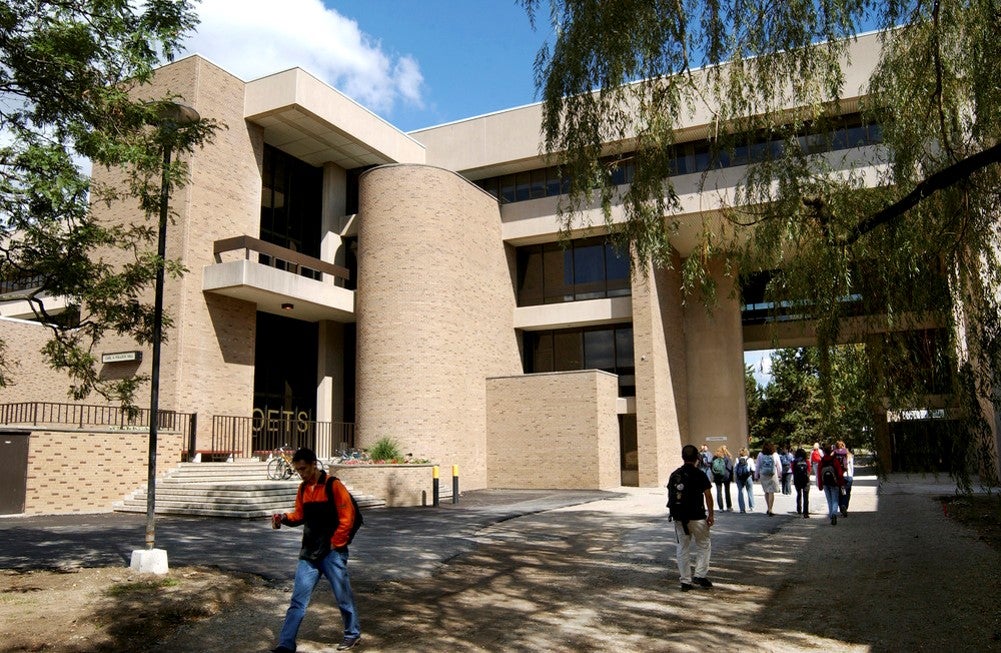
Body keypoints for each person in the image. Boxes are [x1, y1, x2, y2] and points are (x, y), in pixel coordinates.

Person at [271, 448, 362, 652]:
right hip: (309, 554)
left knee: (342, 595)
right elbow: (299, 515)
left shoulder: (333, 485)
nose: (301, 473)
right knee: (297, 601)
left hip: (332, 553)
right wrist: (284, 517)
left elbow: (347, 517)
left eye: (303, 468)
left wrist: (336, 544)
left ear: (314, 464)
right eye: (297, 470)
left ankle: (352, 633)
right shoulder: (303, 488)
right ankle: (286, 644)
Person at [667, 444, 715, 592]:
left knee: (682, 547)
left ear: (683, 457)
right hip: (698, 516)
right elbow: (708, 495)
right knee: (704, 544)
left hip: (680, 517)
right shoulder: (700, 474)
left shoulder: (675, 474)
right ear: (697, 458)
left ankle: (685, 580)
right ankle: (700, 574)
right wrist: (711, 514)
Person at [817, 443, 846, 525]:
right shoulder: (834, 460)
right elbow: (840, 473)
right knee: (835, 500)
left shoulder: (822, 461)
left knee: (829, 500)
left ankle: (831, 515)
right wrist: (841, 483)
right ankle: (834, 514)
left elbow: (819, 474)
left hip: (825, 483)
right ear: (831, 451)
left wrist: (820, 485)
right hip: (835, 482)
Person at [755, 441, 782, 516]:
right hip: (772, 474)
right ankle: (771, 509)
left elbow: (757, 465)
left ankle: (768, 508)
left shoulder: (760, 454)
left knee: (766, 491)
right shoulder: (775, 454)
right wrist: (780, 474)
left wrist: (756, 475)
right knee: (771, 492)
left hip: (763, 474)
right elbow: (778, 465)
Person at [711, 445, 734, 511]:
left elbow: (711, 467)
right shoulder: (727, 458)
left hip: (717, 477)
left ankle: (721, 508)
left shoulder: (714, 458)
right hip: (726, 477)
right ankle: (729, 507)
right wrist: (731, 477)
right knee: (727, 491)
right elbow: (730, 468)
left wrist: (714, 474)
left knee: (719, 492)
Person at [835, 441, 854, 517]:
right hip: (848, 476)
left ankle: (842, 507)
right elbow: (851, 467)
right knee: (847, 493)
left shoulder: (836, 456)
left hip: (841, 477)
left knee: (841, 492)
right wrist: (852, 476)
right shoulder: (849, 455)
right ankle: (845, 506)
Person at [734, 447, 755, 513]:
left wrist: (736, 477)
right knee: (750, 491)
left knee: (740, 492)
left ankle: (742, 509)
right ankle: (751, 507)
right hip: (748, 477)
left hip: (739, 478)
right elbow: (753, 469)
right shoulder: (750, 459)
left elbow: (735, 470)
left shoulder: (737, 459)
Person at [792, 447, 811, 518]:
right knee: (806, 496)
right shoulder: (807, 461)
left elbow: (793, 471)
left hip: (797, 480)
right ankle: (806, 512)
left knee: (799, 494)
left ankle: (799, 509)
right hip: (806, 480)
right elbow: (809, 470)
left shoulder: (794, 462)